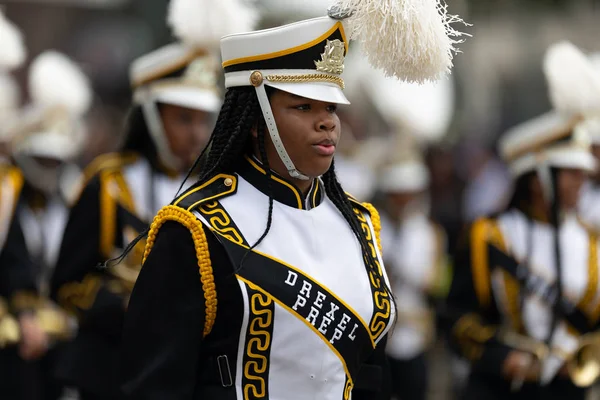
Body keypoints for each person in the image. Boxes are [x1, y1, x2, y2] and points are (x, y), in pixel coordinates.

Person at [119, 0, 467, 397]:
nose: (327, 122)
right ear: (254, 120)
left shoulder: (361, 223)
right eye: (304, 106)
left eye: (332, 107)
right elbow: (154, 385)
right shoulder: (195, 227)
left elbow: (370, 372)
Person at [49, 0, 255, 398]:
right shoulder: (108, 184)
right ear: (150, 117)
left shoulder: (217, 191)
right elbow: (67, 283)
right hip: (108, 368)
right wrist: (124, 307)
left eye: (203, 120)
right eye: (183, 119)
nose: (197, 134)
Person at [444, 41, 600, 400]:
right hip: (501, 390)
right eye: (571, 173)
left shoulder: (592, 240)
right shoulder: (490, 236)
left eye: (583, 173)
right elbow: (456, 319)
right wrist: (504, 358)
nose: (582, 182)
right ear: (537, 179)